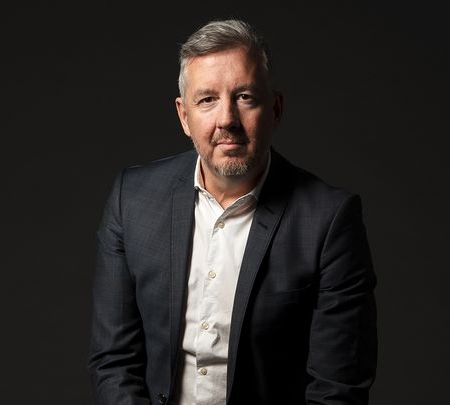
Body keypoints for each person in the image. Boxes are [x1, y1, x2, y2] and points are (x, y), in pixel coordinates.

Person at [88, 19, 377, 405]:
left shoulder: (329, 220)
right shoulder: (133, 199)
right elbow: (114, 361)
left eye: (244, 97)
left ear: (275, 109)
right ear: (184, 116)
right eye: (207, 99)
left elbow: (337, 390)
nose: (227, 119)